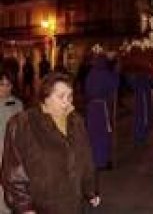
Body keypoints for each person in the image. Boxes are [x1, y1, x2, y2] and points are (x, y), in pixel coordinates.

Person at [1, 72, 100, 213]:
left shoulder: (75, 122)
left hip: (73, 204)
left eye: (70, 96)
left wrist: (90, 189)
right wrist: (24, 207)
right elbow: (14, 171)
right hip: (42, 205)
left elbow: (86, 158)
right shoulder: (23, 124)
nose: (68, 102)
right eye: (61, 96)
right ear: (45, 98)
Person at [85, 54, 119, 169]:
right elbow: (114, 85)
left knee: (93, 134)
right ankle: (102, 161)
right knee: (103, 135)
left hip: (91, 107)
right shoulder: (105, 74)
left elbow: (87, 88)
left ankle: (93, 160)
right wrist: (116, 72)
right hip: (101, 107)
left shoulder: (91, 74)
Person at [0, 70, 23, 213]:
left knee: (8, 185)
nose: (5, 88)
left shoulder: (16, 104)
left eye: (8, 84)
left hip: (10, 150)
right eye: (1, 84)